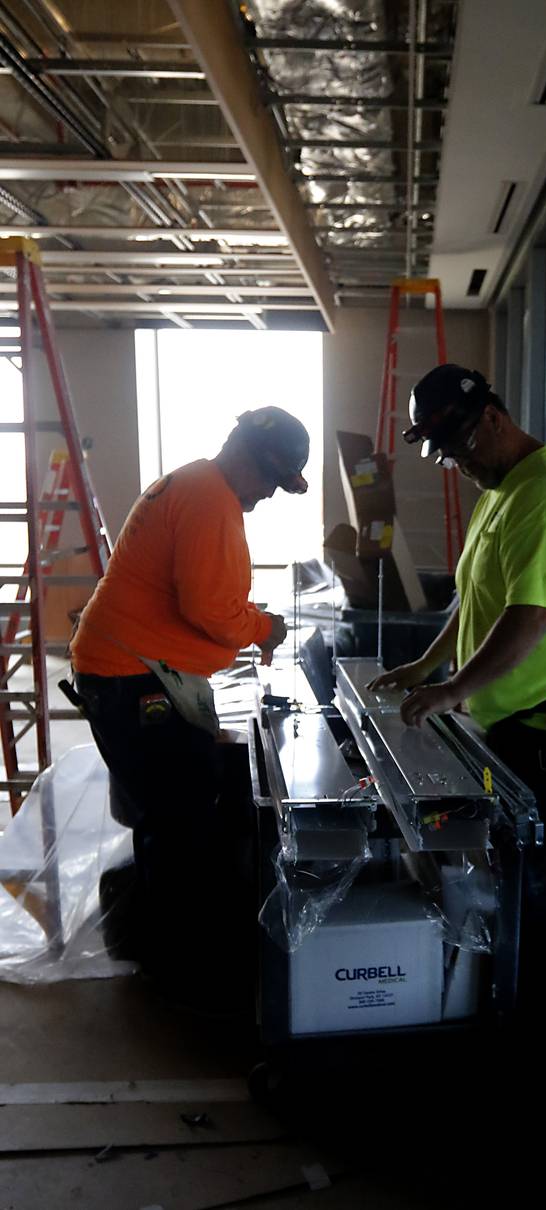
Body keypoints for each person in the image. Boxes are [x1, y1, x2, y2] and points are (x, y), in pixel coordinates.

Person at [369, 364, 546, 1027]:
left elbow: (531, 615)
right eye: (448, 455)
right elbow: (481, 595)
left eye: (462, 447)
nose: (459, 464)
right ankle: (539, 1001)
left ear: (492, 417)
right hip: (521, 720)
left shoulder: (545, 495)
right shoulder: (501, 488)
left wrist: (455, 688)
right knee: (534, 871)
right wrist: (432, 663)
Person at [69, 406, 310, 1007]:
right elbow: (211, 608)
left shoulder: (198, 485)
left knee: (169, 815)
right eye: (271, 483)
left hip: (126, 672)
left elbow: (199, 600)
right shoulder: (210, 499)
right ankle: (183, 972)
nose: (266, 498)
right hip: (133, 679)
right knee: (183, 820)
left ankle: (163, 953)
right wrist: (264, 628)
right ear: (248, 458)